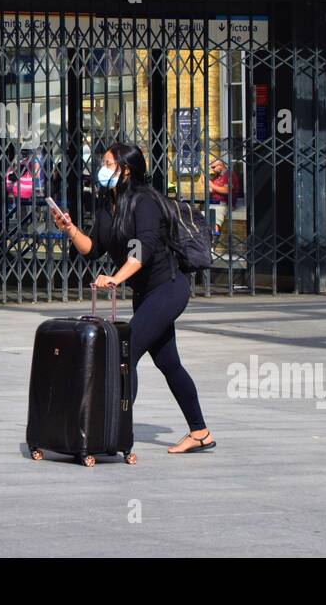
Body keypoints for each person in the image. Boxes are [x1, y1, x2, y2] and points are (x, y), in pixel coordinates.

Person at [49, 142, 216, 455]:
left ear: (126, 169)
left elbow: (143, 248)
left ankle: (112, 431)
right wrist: (70, 229)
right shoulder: (107, 205)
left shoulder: (145, 202)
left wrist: (115, 277)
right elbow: (93, 249)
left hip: (168, 288)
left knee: (124, 354)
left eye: (110, 163)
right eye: (105, 162)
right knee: (169, 363)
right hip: (144, 293)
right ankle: (200, 432)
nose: (103, 167)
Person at [208, 157, 241, 238]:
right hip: (214, 202)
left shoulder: (230, 175)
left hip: (225, 203)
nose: (211, 169)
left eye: (213, 167)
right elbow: (212, 191)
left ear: (220, 166)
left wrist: (211, 185)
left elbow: (227, 190)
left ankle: (214, 235)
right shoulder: (217, 176)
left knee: (215, 212)